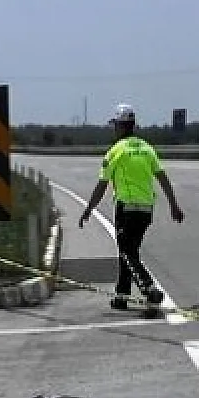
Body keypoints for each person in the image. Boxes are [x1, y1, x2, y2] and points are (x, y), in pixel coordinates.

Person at [77, 103, 184, 312]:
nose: (114, 129)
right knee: (129, 250)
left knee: (127, 253)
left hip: (126, 209)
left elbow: (101, 186)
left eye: (115, 125)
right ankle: (122, 296)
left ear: (120, 126)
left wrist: (89, 209)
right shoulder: (147, 148)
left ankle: (149, 289)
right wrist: (174, 205)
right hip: (146, 209)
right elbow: (163, 178)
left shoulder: (115, 151)